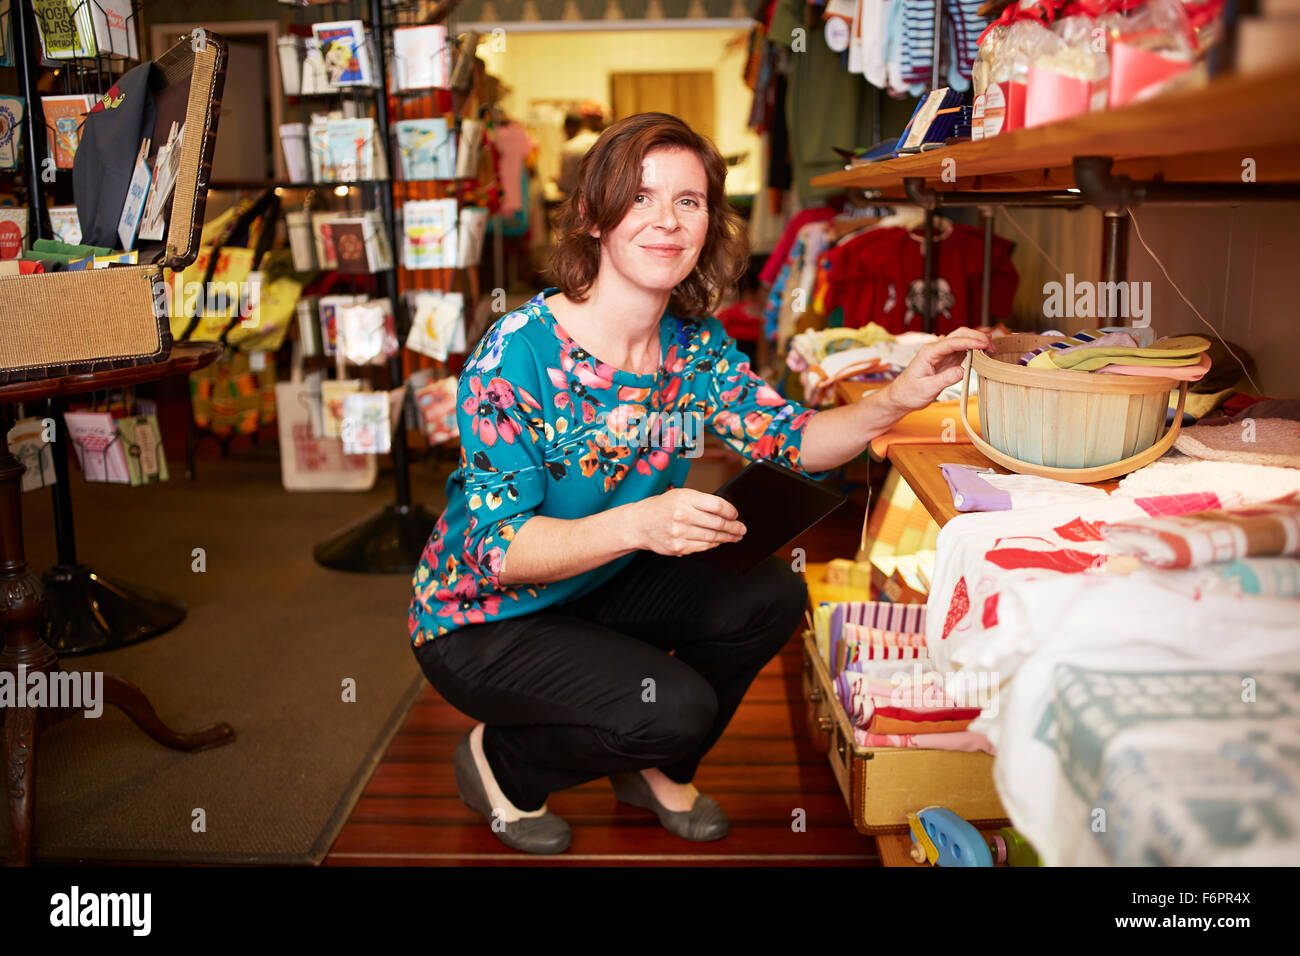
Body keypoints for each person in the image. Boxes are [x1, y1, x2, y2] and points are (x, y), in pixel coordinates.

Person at [407, 112, 989, 855]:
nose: (667, 222)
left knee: (771, 593)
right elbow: (498, 549)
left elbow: (794, 439)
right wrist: (641, 525)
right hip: (483, 620)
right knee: (675, 706)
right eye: (640, 198)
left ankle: (651, 768)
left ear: (710, 221)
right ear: (591, 217)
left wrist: (895, 400)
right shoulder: (515, 356)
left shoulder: (691, 347)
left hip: (597, 582)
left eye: (689, 201)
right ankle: (503, 761)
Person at [556, 101, 603, 197]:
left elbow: (564, 184)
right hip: (600, 202)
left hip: (575, 202)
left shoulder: (569, 147)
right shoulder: (603, 143)